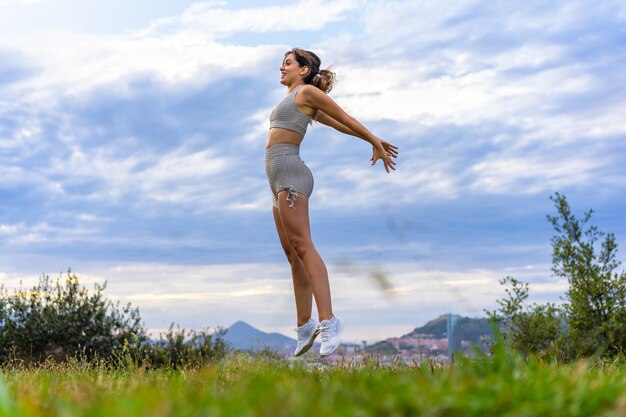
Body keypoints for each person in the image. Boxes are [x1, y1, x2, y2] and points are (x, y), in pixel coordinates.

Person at [265, 48, 398, 357]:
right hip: (275, 179)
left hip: (290, 173)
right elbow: (336, 124)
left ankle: (329, 320)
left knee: (303, 245)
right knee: (292, 253)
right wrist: (369, 139)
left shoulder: (307, 92)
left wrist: (374, 140)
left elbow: (344, 117)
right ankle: (304, 325)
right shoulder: (295, 97)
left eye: (288, 63)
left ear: (304, 69)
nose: (281, 67)